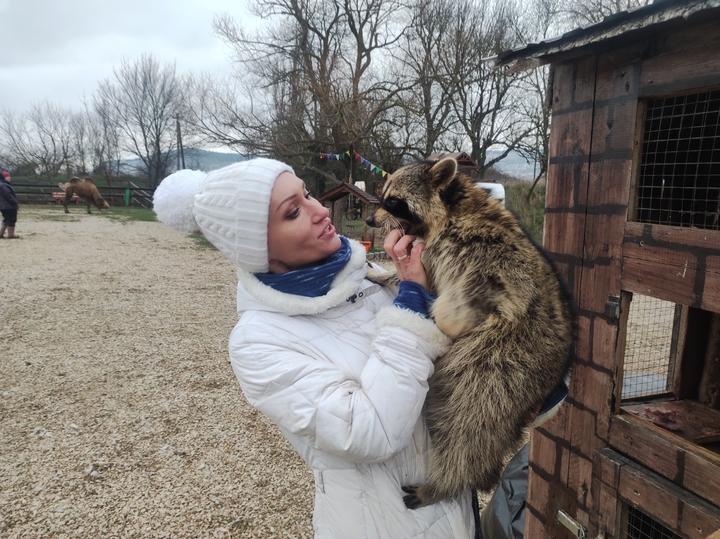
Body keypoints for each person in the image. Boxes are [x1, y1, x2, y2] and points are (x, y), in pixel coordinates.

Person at [153, 158, 566, 539]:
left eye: (308, 194)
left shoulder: (368, 281)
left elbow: (460, 353)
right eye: (293, 212)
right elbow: (369, 432)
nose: (321, 211)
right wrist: (412, 300)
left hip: (455, 516)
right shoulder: (259, 341)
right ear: (256, 246)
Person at [0, 170, 20, 239]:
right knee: (11, 219)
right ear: (4, 177)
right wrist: (14, 202)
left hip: (2, 206)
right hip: (9, 206)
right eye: (7, 176)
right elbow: (8, 195)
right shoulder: (4, 185)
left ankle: (1, 233)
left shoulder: (1, 184)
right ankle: (11, 234)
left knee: (6, 219)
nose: (9, 177)